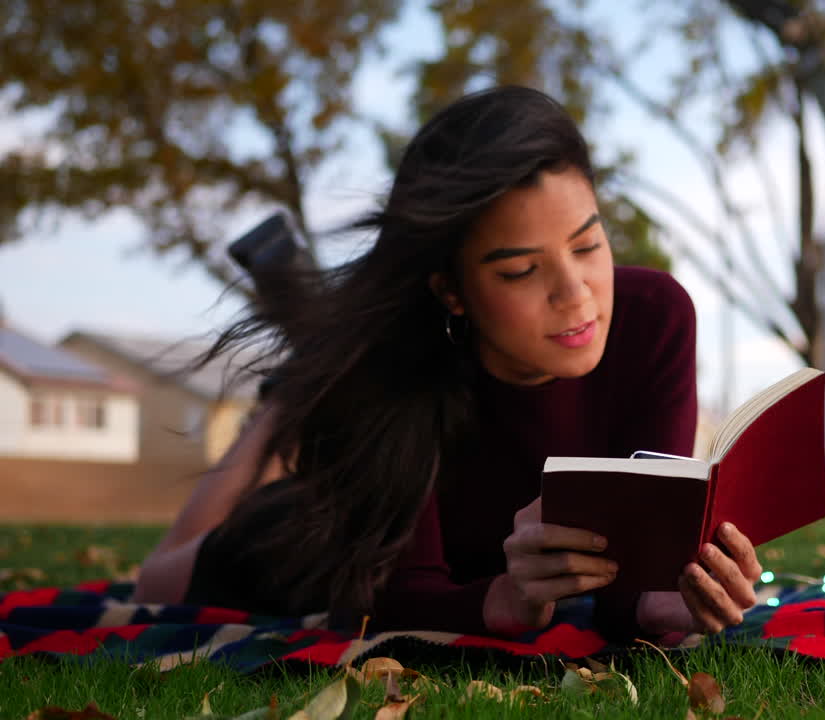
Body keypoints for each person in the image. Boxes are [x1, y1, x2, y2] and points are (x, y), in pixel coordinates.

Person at [132, 86, 762, 639]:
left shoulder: (653, 317)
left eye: (588, 243)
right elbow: (384, 599)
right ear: (451, 290)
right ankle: (286, 399)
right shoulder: (386, 372)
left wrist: (679, 605)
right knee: (157, 583)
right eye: (520, 270)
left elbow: (634, 596)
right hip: (327, 525)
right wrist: (511, 599)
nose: (576, 294)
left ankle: (306, 368)